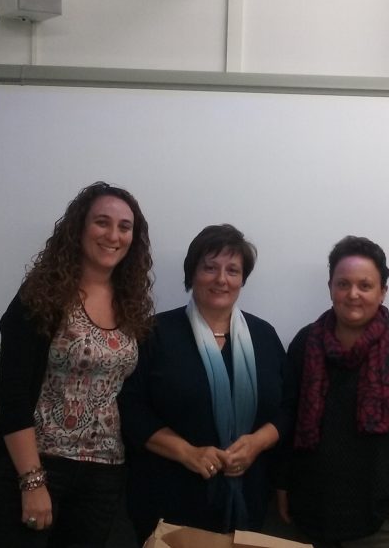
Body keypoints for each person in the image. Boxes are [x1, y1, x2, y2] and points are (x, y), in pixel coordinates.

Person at [0, 181, 154, 548]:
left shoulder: (131, 304)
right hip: (34, 468)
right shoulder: (41, 296)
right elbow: (11, 395)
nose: (113, 235)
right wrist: (32, 481)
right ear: (78, 228)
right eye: (102, 222)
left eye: (124, 227)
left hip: (102, 477)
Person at [118, 224, 291, 544]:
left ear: (242, 279)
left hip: (249, 501)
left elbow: (288, 407)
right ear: (192, 274)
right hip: (168, 500)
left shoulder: (264, 337)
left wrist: (257, 443)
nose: (221, 279)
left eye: (232, 270)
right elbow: (129, 408)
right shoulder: (155, 333)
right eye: (210, 267)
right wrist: (187, 452)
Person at [277, 236, 389, 548]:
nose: (353, 294)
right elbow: (288, 417)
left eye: (365, 285)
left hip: (386, 523)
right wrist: (282, 485)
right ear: (330, 288)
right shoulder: (305, 343)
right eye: (343, 284)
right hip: (310, 515)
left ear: (383, 291)